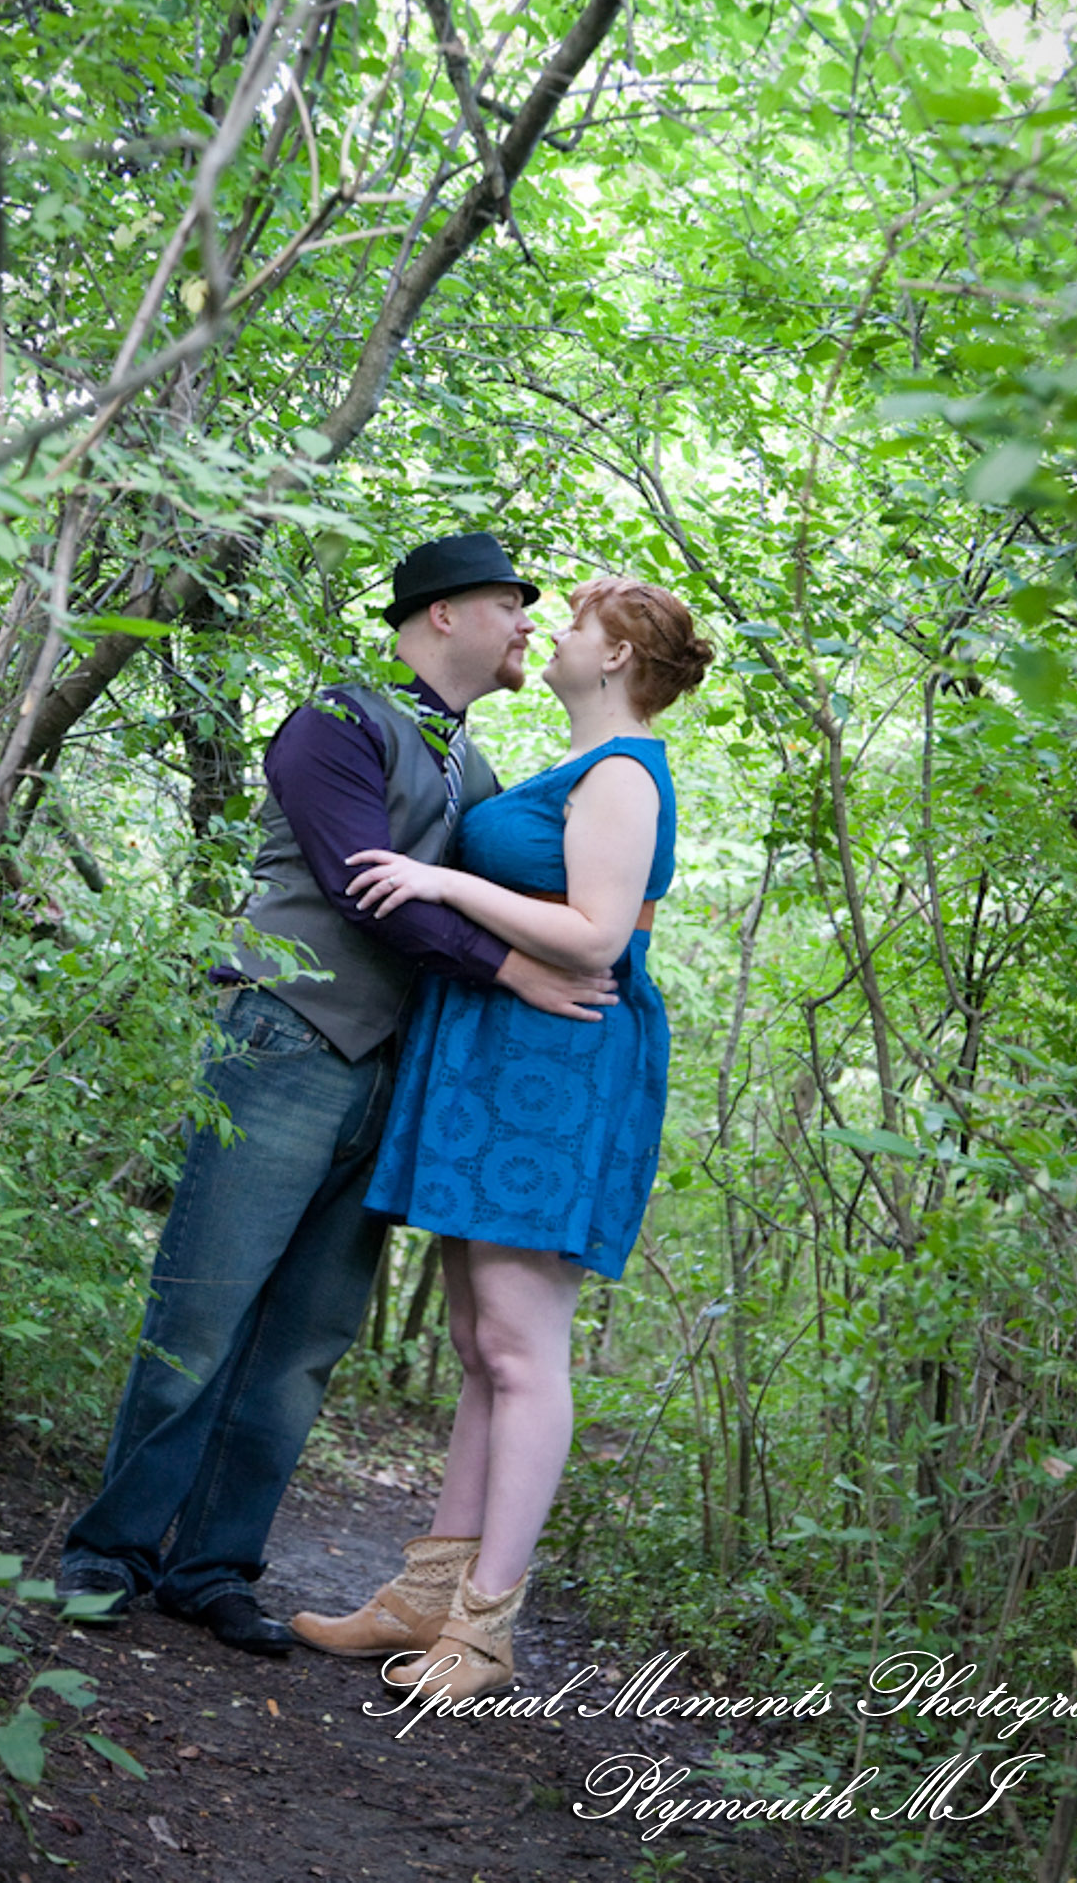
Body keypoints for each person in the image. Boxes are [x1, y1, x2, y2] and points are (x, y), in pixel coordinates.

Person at [55, 534, 619, 1656]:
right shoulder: (335, 724)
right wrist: (514, 971)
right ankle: (110, 1553)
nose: (526, 628)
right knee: (203, 1304)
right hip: (288, 1038)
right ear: (443, 614)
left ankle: (213, 1568)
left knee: (307, 1336)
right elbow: (375, 892)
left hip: (398, 1078)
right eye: (512, 605)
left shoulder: (480, 775)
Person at [290, 575, 712, 1694]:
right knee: (484, 1346)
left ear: (617, 657)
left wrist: (437, 879)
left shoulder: (623, 773)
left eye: (575, 624)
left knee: (523, 1352)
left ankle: (485, 1629)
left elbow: (596, 935)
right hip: (500, 1063)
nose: (551, 635)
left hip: (558, 1071)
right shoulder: (573, 770)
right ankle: (429, 1594)